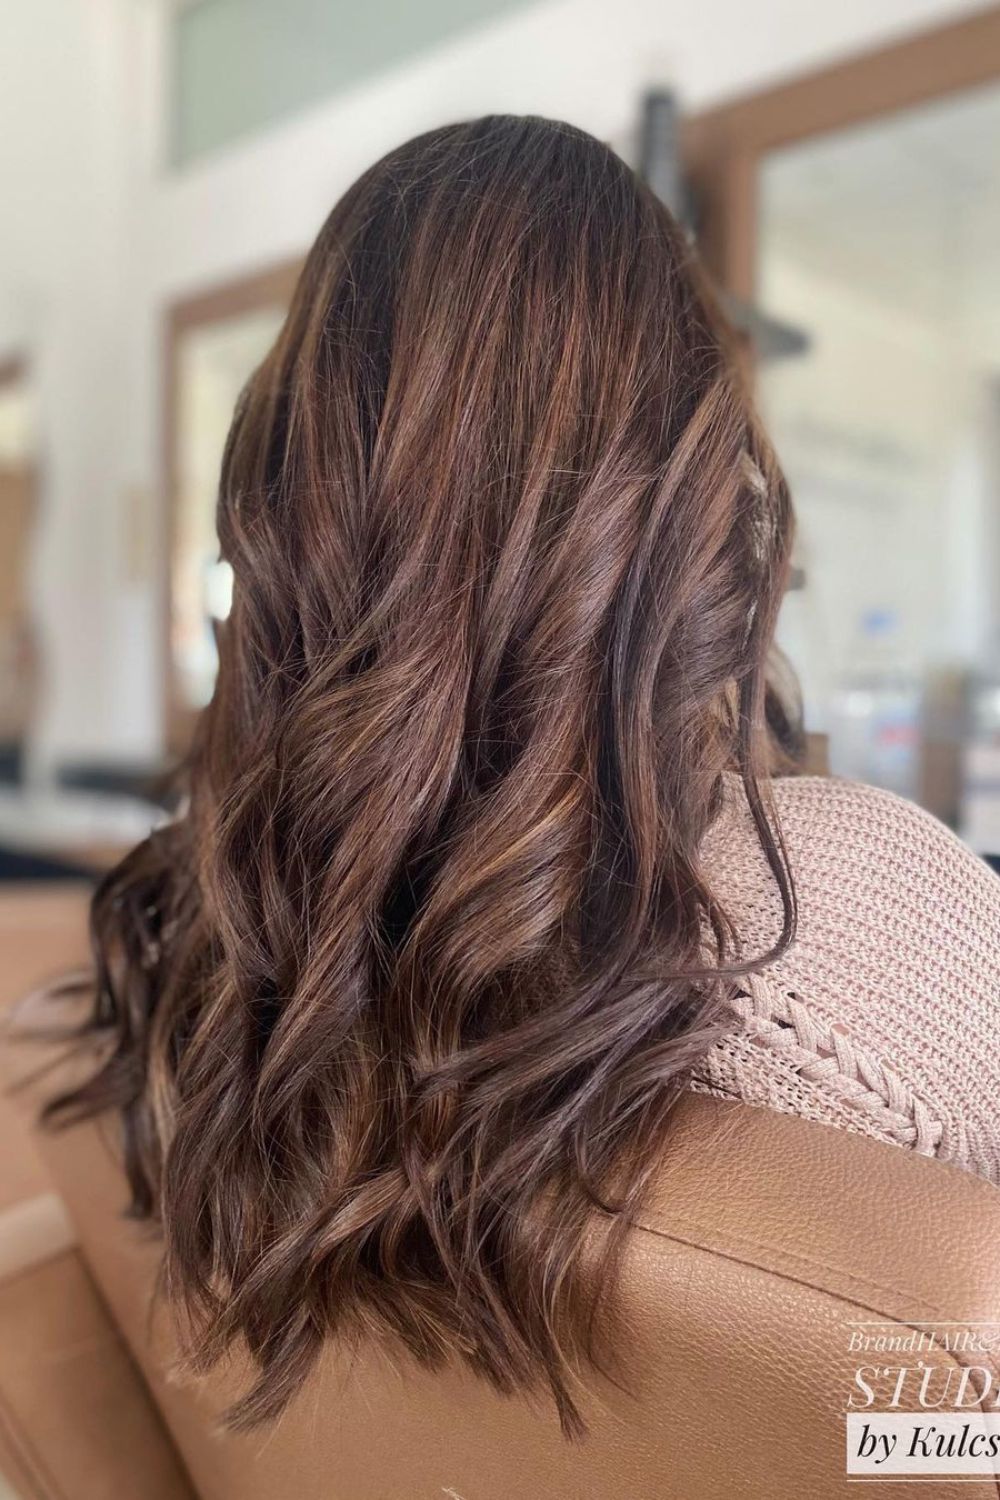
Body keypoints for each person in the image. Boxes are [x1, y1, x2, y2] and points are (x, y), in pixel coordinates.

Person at [46, 114, 1000, 1437]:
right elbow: (953, 1436)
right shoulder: (854, 919)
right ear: (696, 500)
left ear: (287, 495)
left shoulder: (192, 942)